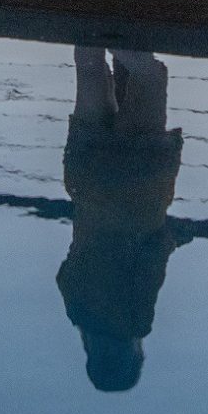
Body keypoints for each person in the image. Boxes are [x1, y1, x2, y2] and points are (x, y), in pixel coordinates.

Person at [56, 47, 187, 392]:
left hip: (138, 189)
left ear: (133, 355)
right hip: (87, 180)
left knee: (149, 77)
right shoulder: (76, 310)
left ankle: (127, 21)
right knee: (89, 66)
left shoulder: (135, 322)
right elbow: (66, 270)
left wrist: (171, 239)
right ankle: (91, 8)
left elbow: (152, 257)